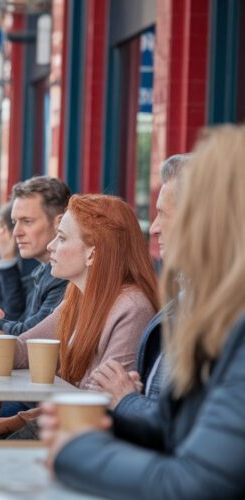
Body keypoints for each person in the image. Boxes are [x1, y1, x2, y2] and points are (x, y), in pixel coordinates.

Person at [40, 126, 245, 499]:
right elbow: (180, 429)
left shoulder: (221, 317)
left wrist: (76, 448)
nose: (155, 229)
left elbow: (196, 484)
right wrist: (107, 426)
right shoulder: (209, 306)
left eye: (165, 214)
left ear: (211, 220)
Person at [0, 195, 158, 439]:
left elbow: (100, 402)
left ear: (93, 253)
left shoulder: (132, 307)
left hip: (84, 439)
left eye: (62, 238)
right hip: (66, 424)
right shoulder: (78, 298)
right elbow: (24, 350)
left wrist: (19, 420)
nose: (51, 246)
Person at [92, 154, 191, 415]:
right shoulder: (185, 296)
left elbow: (185, 430)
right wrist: (133, 395)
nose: (154, 228)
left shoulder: (222, 310)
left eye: (162, 214)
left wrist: (127, 400)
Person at [0, 176, 70, 334]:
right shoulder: (43, 271)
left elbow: (30, 335)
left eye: (27, 221)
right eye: (14, 222)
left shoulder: (65, 276)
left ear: (59, 223)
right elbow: (18, 320)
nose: (16, 232)